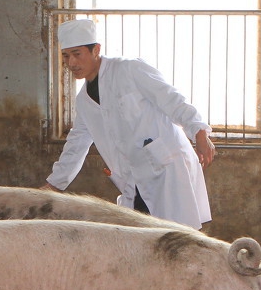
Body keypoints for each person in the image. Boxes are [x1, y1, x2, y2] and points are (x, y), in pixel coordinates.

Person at [42, 18, 215, 229]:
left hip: (166, 167)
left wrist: (198, 131)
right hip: (134, 177)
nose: (71, 63)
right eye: (66, 56)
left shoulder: (130, 70)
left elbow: (171, 99)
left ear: (96, 50)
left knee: (176, 234)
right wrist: (54, 184)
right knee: (143, 235)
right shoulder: (83, 101)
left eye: (77, 54)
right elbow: (76, 144)